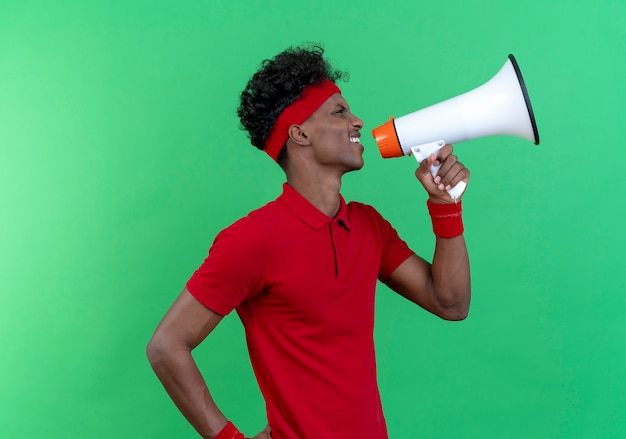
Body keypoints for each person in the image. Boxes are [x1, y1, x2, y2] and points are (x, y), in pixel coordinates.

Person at [146, 43, 471, 439]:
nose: (357, 122)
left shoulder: (369, 226)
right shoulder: (252, 240)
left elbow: (451, 303)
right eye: (339, 112)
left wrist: (446, 206)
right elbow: (166, 346)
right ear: (299, 133)